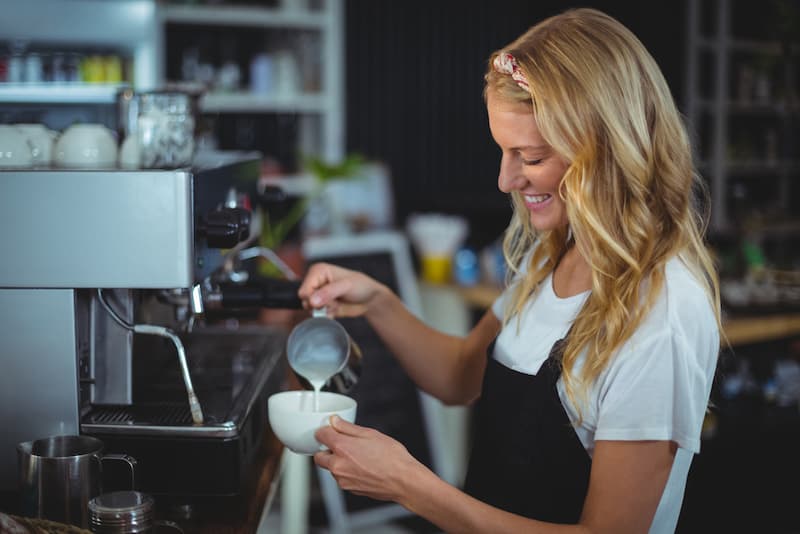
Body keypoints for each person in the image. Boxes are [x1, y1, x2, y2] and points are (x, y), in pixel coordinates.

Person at [297, 7, 721, 533]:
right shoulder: (557, 254)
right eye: (503, 151)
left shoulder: (661, 313)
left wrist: (413, 486)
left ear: (607, 149)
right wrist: (379, 302)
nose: (506, 179)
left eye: (531, 155)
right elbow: (458, 376)